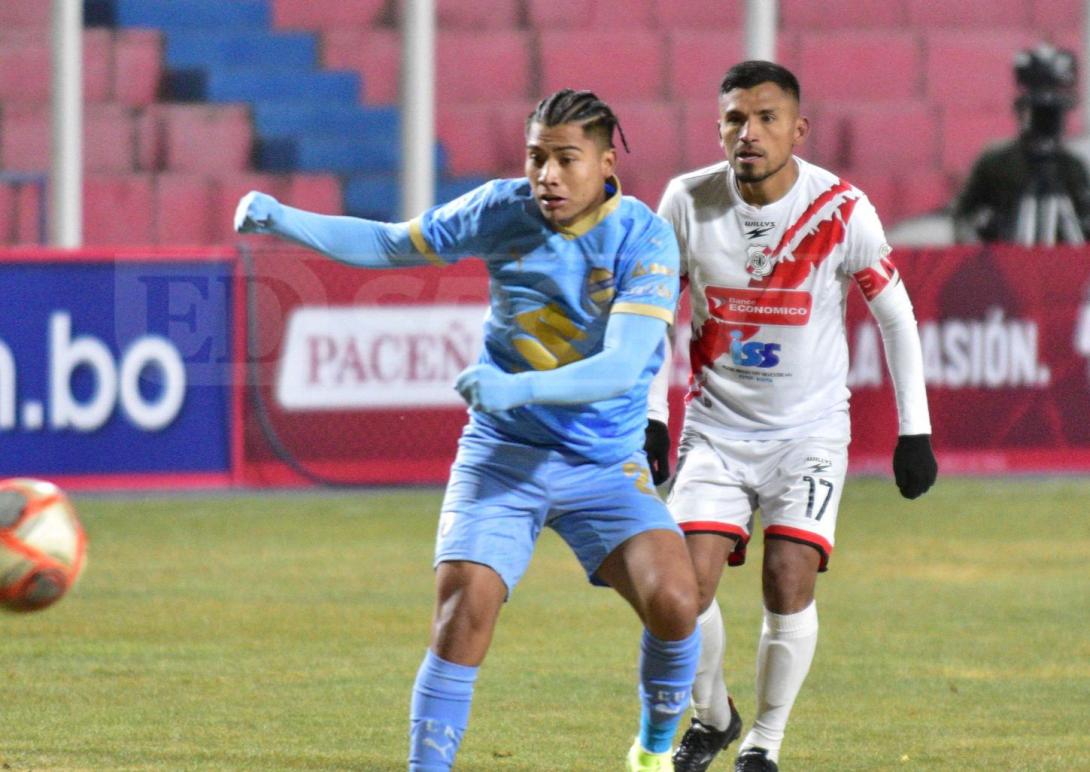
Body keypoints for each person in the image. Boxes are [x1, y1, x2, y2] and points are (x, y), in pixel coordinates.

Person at [236, 89, 701, 772]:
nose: (546, 175)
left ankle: (653, 751)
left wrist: (521, 386)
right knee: (464, 608)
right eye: (536, 157)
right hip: (503, 454)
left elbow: (622, 366)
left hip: (603, 462)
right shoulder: (500, 209)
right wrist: (284, 219)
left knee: (677, 602)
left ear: (606, 164)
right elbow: (391, 243)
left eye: (565, 159)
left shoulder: (644, 238)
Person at [643, 61, 938, 772]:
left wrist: (916, 431)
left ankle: (764, 744)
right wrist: (653, 413)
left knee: (787, 577)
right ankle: (714, 717)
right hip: (716, 431)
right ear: (718, 128)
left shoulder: (840, 208)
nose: (749, 132)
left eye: (766, 118)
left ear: (797, 129)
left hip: (808, 434)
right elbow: (654, 311)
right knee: (680, 593)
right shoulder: (685, 201)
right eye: (735, 119)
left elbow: (896, 316)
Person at [952, 43, 1090, 246]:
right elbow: (963, 214)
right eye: (1039, 112)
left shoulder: (1072, 167)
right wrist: (980, 242)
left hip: (1061, 262)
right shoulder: (996, 163)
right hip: (1005, 259)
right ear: (1022, 111)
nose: (1046, 120)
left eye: (1052, 113)